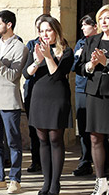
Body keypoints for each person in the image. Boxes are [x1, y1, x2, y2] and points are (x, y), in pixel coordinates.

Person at [24, 15, 73, 195]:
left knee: (55, 139)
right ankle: (45, 182)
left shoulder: (66, 50)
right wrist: (37, 60)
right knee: (42, 139)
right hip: (38, 96)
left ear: (56, 31)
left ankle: (55, 183)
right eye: (41, 31)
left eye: (48, 30)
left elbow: (57, 74)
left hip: (57, 97)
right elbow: (27, 74)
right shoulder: (36, 48)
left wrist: (48, 57)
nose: (45, 34)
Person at [0, 10, 29, 193]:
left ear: (9, 25)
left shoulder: (20, 48)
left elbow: (12, 76)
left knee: (13, 141)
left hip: (9, 100)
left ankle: (15, 179)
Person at [79, 4, 109, 194]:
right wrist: (91, 64)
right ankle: (100, 180)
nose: (103, 22)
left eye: (108, 18)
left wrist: (107, 63)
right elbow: (79, 67)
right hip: (94, 93)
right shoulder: (91, 40)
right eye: (101, 18)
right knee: (95, 137)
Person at [72, 14, 98, 176]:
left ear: (95, 26)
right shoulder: (81, 43)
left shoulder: (103, 42)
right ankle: (85, 161)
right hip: (82, 89)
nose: (82, 28)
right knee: (83, 128)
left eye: (85, 25)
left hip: (99, 89)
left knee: (100, 128)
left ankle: (105, 163)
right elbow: (75, 66)